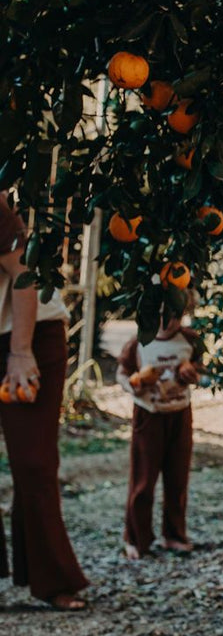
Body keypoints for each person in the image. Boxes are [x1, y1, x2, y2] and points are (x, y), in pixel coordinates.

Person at [0, 190, 88, 610]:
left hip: (30, 331)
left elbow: (24, 272)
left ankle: (52, 581)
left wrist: (20, 351)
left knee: (33, 461)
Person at [116, 307, 203, 559]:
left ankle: (174, 534)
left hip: (179, 412)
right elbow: (122, 373)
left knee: (178, 477)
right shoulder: (140, 341)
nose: (166, 321)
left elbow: (199, 369)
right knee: (143, 479)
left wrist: (192, 374)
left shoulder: (189, 340)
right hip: (149, 414)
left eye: (173, 315)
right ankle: (136, 538)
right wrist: (134, 384)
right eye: (160, 314)